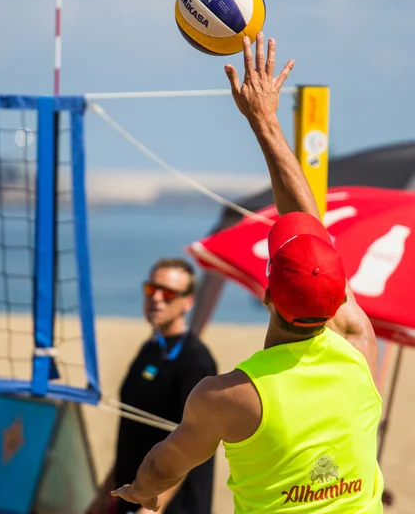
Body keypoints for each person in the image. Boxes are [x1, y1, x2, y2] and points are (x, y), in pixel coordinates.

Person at [111, 33, 384, 513]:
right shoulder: (360, 348)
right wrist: (266, 121)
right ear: (336, 298)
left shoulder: (228, 396)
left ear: (267, 296)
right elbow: (311, 226)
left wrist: (140, 491)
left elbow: (163, 465)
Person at [87, 257, 218, 514]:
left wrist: (152, 508)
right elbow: (132, 431)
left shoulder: (196, 361)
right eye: (151, 289)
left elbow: (192, 446)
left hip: (172, 506)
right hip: (132, 497)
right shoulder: (150, 349)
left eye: (168, 293)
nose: (157, 298)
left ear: (188, 302)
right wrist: (104, 495)